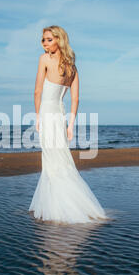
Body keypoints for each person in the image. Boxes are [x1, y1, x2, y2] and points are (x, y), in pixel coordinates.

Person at [28, 25, 109, 225]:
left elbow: (37, 91)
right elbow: (76, 99)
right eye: (43, 40)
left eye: (49, 39)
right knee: (60, 159)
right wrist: (70, 125)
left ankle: (57, 209)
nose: (45, 43)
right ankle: (69, 205)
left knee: (51, 160)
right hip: (60, 115)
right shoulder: (72, 67)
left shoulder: (44, 59)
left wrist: (37, 117)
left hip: (48, 114)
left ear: (59, 40)